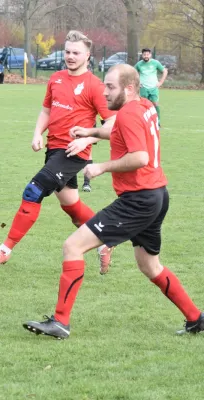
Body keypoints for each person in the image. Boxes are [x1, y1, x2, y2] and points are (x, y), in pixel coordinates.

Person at [23, 64, 204, 339]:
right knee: (150, 266)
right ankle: (196, 318)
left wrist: (102, 167)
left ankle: (60, 322)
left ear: (128, 88)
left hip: (138, 200)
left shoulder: (129, 113)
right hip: (157, 194)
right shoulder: (144, 106)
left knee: (72, 246)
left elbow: (140, 157)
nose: (104, 92)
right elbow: (119, 131)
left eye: (110, 87)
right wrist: (91, 132)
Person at [0, 30, 117, 273]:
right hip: (54, 150)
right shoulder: (56, 79)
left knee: (33, 191)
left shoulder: (96, 86)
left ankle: (5, 249)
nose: (70, 56)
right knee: (72, 206)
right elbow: (46, 110)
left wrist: (87, 141)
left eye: (76, 53)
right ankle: (107, 238)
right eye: (67, 52)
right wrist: (37, 133)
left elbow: (112, 123)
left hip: (74, 152)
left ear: (87, 55)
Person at [135, 48, 167, 125]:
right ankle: (143, 121)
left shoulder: (155, 63)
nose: (146, 56)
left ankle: (157, 121)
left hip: (153, 88)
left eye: (147, 54)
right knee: (143, 105)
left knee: (155, 104)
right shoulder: (139, 64)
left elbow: (164, 71)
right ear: (142, 55)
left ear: (150, 55)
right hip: (143, 88)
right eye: (144, 54)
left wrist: (160, 82)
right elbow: (133, 73)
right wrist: (137, 83)